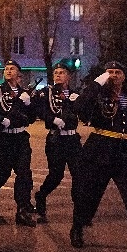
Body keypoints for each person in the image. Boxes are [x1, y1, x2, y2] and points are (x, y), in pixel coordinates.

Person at [70, 61, 127, 252]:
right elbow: (78, 107)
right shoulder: (98, 94)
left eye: (118, 72)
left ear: (124, 76)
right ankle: (77, 227)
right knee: (89, 195)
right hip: (99, 149)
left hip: (124, 153)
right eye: (110, 72)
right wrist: (96, 84)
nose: (114, 75)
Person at [0, 59, 38, 227]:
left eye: (12, 68)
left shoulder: (24, 93)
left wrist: (29, 104)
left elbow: (32, 117)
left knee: (24, 174)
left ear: (18, 73)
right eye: (6, 68)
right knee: (2, 174)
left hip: (20, 138)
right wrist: (2, 121)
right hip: (4, 138)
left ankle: (22, 210)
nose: (8, 71)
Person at [33, 61, 81, 223]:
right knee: (56, 175)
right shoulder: (47, 93)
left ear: (68, 76)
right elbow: (40, 110)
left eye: (62, 72)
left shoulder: (74, 94)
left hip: (73, 139)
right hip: (56, 139)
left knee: (78, 175)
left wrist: (78, 103)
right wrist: (52, 119)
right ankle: (41, 195)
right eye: (56, 73)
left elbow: (84, 114)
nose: (58, 75)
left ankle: (79, 212)